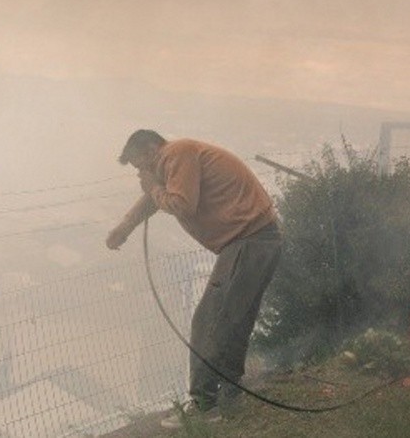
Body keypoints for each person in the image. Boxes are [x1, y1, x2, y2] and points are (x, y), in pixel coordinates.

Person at [106, 129, 283, 429]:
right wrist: (125, 227)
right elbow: (155, 198)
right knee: (233, 320)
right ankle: (230, 396)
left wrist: (153, 188)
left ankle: (203, 405)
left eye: (140, 166)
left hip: (247, 241)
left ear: (151, 151)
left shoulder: (178, 154)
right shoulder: (175, 160)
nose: (142, 175)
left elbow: (180, 203)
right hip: (259, 240)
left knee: (208, 321)